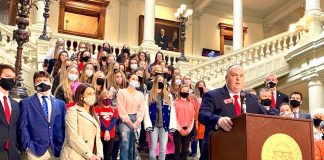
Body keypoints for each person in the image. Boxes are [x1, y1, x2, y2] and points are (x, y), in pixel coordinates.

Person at [198, 64, 265, 160]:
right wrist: (218, 120)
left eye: (241, 76)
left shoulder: (252, 98)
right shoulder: (212, 95)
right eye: (234, 75)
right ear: (226, 78)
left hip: (245, 151)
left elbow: (265, 117)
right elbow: (202, 115)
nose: (238, 79)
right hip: (218, 149)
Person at [19, 71, 66, 159]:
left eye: (45, 80)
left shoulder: (61, 104)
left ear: (51, 83)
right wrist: (27, 146)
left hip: (57, 149)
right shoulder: (26, 103)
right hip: (35, 150)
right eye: (39, 81)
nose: (42, 83)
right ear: (34, 85)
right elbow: (23, 126)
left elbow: (64, 126)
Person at [60, 83, 103, 160]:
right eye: (89, 93)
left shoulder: (93, 115)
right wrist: (89, 155)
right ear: (81, 96)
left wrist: (100, 154)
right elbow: (72, 136)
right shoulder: (72, 111)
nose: (92, 96)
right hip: (75, 155)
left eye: (94, 93)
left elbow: (97, 139)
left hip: (91, 156)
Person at [144, 75, 177, 160]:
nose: (160, 82)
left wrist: (172, 125)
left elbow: (172, 111)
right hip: (153, 124)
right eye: (159, 80)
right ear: (155, 82)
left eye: (162, 81)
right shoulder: (149, 95)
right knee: (153, 146)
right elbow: (146, 111)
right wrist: (147, 124)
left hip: (164, 125)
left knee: (163, 147)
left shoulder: (168, 96)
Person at [117, 74, 145, 160]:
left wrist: (137, 122)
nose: (135, 81)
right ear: (129, 80)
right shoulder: (122, 92)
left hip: (137, 120)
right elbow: (120, 108)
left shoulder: (140, 94)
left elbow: (141, 109)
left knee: (134, 145)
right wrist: (129, 121)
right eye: (133, 79)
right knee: (125, 144)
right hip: (125, 120)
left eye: (136, 80)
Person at [0, 64, 21, 160]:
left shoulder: (15, 105)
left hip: (12, 153)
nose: (11, 80)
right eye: (8, 77)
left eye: (13, 78)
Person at [95, 90, 118, 160]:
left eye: (109, 97)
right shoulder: (96, 109)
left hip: (110, 135)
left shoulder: (114, 110)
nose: (107, 99)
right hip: (100, 134)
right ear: (101, 98)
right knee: (99, 153)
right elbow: (99, 121)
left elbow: (113, 122)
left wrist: (107, 131)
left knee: (108, 153)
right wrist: (106, 131)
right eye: (105, 97)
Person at [174, 85, 195, 160]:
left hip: (187, 130)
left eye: (187, 91)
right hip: (177, 130)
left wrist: (188, 130)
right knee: (177, 149)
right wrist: (180, 129)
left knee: (184, 150)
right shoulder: (175, 103)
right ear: (180, 92)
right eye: (183, 91)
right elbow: (174, 118)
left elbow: (192, 119)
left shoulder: (191, 104)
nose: (185, 93)